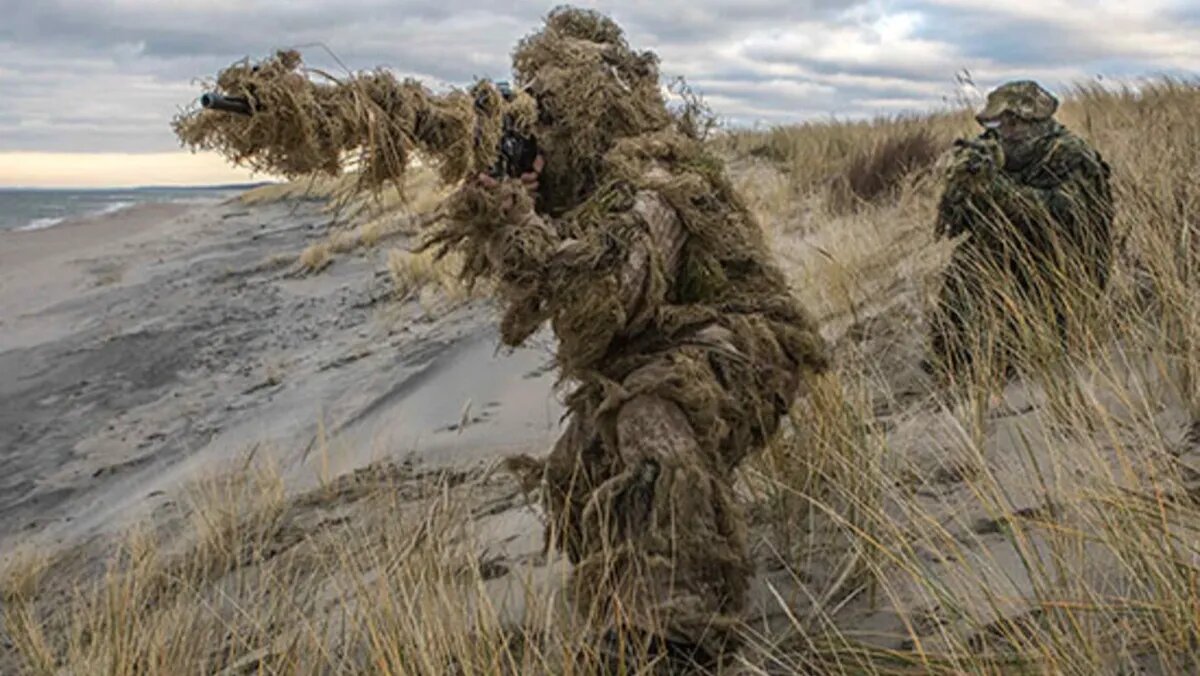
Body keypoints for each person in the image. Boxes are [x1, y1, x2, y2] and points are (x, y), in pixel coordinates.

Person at [174, 7, 830, 670]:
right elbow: (436, 121)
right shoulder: (575, 182)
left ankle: (680, 637)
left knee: (652, 415)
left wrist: (520, 222)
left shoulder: (655, 176)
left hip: (745, 345)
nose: (535, 122)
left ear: (592, 108)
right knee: (580, 475)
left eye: (549, 106)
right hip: (657, 347)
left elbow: (601, 307)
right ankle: (626, 606)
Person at [928, 80, 1114, 377]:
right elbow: (958, 226)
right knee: (969, 261)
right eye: (997, 124)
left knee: (1039, 344)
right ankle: (954, 358)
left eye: (1011, 124)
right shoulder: (993, 149)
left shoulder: (1069, 154)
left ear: (1036, 123)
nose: (1002, 134)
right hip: (1016, 254)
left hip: (1065, 266)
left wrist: (994, 187)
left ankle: (1025, 354)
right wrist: (962, 185)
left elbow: (1061, 216)